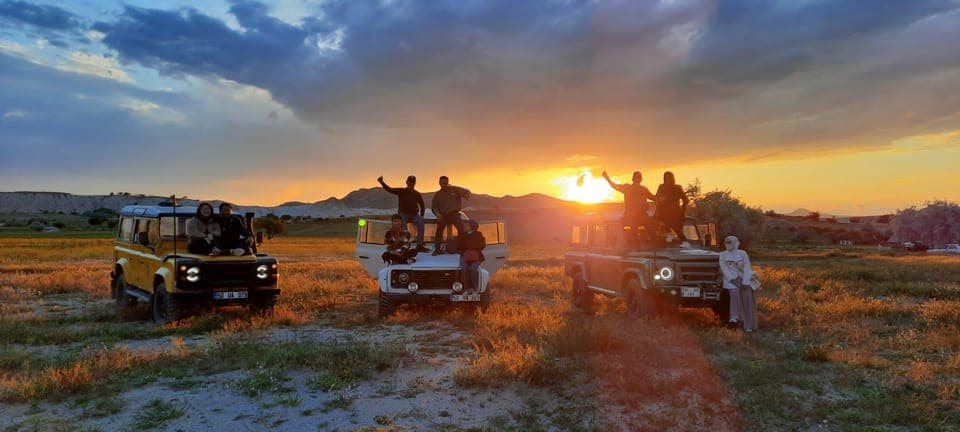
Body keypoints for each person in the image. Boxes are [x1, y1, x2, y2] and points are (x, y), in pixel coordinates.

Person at [602, 170, 657, 245]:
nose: (638, 179)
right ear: (633, 179)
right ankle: (638, 244)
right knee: (635, 230)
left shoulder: (643, 189)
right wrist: (606, 177)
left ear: (640, 179)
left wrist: (663, 196)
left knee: (650, 228)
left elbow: (654, 198)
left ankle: (654, 243)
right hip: (630, 217)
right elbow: (614, 186)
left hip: (642, 216)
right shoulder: (627, 188)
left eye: (639, 178)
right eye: (636, 177)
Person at [719, 235, 758, 332]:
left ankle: (748, 324)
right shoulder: (723, 255)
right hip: (730, 281)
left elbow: (747, 267)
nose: (728, 245)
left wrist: (744, 281)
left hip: (744, 279)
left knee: (746, 299)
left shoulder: (743, 253)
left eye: (730, 243)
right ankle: (734, 316)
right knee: (734, 292)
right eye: (726, 243)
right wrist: (732, 279)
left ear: (735, 243)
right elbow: (724, 269)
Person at [378, 175, 428, 251]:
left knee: (421, 223)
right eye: (410, 182)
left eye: (413, 182)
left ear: (415, 183)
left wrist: (421, 215)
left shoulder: (417, 194)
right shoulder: (401, 191)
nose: (411, 184)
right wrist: (382, 182)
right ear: (407, 182)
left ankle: (419, 245)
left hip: (414, 214)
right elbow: (389, 189)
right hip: (403, 213)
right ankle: (403, 245)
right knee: (402, 225)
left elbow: (422, 205)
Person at [431, 175, 471, 255]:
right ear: (439, 183)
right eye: (442, 183)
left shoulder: (455, 189)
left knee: (461, 229)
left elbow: (467, 192)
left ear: (448, 182)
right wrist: (437, 214)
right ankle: (437, 249)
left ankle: (461, 249)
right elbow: (434, 207)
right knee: (439, 231)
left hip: (454, 214)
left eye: (445, 183)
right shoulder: (437, 194)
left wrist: (466, 195)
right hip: (443, 215)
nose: (444, 184)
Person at [655, 171, 690, 245]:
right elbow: (657, 199)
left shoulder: (677, 188)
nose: (671, 180)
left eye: (672, 178)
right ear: (665, 179)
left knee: (675, 227)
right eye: (669, 178)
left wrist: (682, 211)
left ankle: (685, 242)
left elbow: (686, 200)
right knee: (659, 220)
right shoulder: (661, 187)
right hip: (664, 213)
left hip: (675, 213)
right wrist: (657, 211)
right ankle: (667, 235)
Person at [458, 219, 485, 294]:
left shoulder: (478, 234)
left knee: (473, 269)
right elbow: (459, 246)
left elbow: (482, 245)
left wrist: (472, 249)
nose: (464, 226)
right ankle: (465, 288)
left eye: (466, 225)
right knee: (463, 270)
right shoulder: (463, 235)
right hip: (465, 256)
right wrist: (467, 250)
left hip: (476, 256)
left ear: (471, 226)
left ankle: (474, 289)